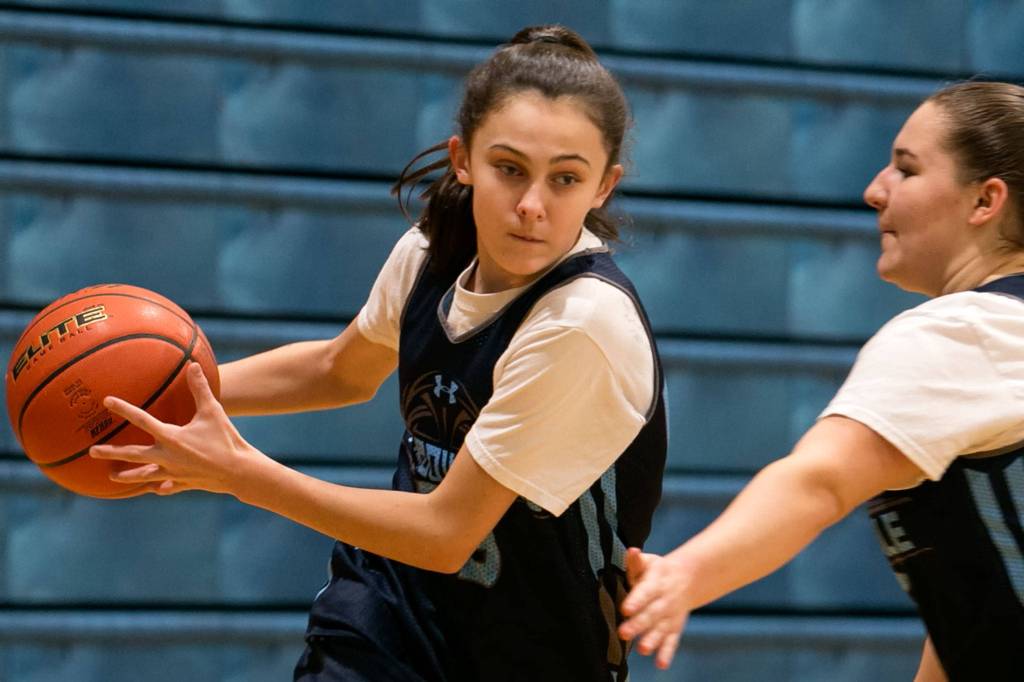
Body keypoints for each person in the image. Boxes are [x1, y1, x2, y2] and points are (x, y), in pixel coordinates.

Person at [90, 25, 667, 682]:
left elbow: (448, 533)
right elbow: (340, 369)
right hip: (394, 612)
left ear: (603, 187)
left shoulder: (581, 324)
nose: (532, 205)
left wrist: (238, 472)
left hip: (536, 651)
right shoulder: (431, 254)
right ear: (463, 159)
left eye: (565, 179)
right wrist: (164, 389)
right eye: (509, 168)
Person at [617, 80, 1024, 682]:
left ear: (984, 201)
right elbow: (987, 592)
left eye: (906, 171)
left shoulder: (965, 335)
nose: (873, 191)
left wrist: (684, 575)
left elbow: (819, 483)